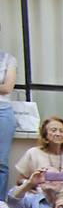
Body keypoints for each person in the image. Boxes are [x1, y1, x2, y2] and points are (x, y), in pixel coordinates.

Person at [0, 43, 17, 196]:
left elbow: (7, 88)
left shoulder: (7, 59)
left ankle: (0, 206)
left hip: (2, 111)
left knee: (1, 162)